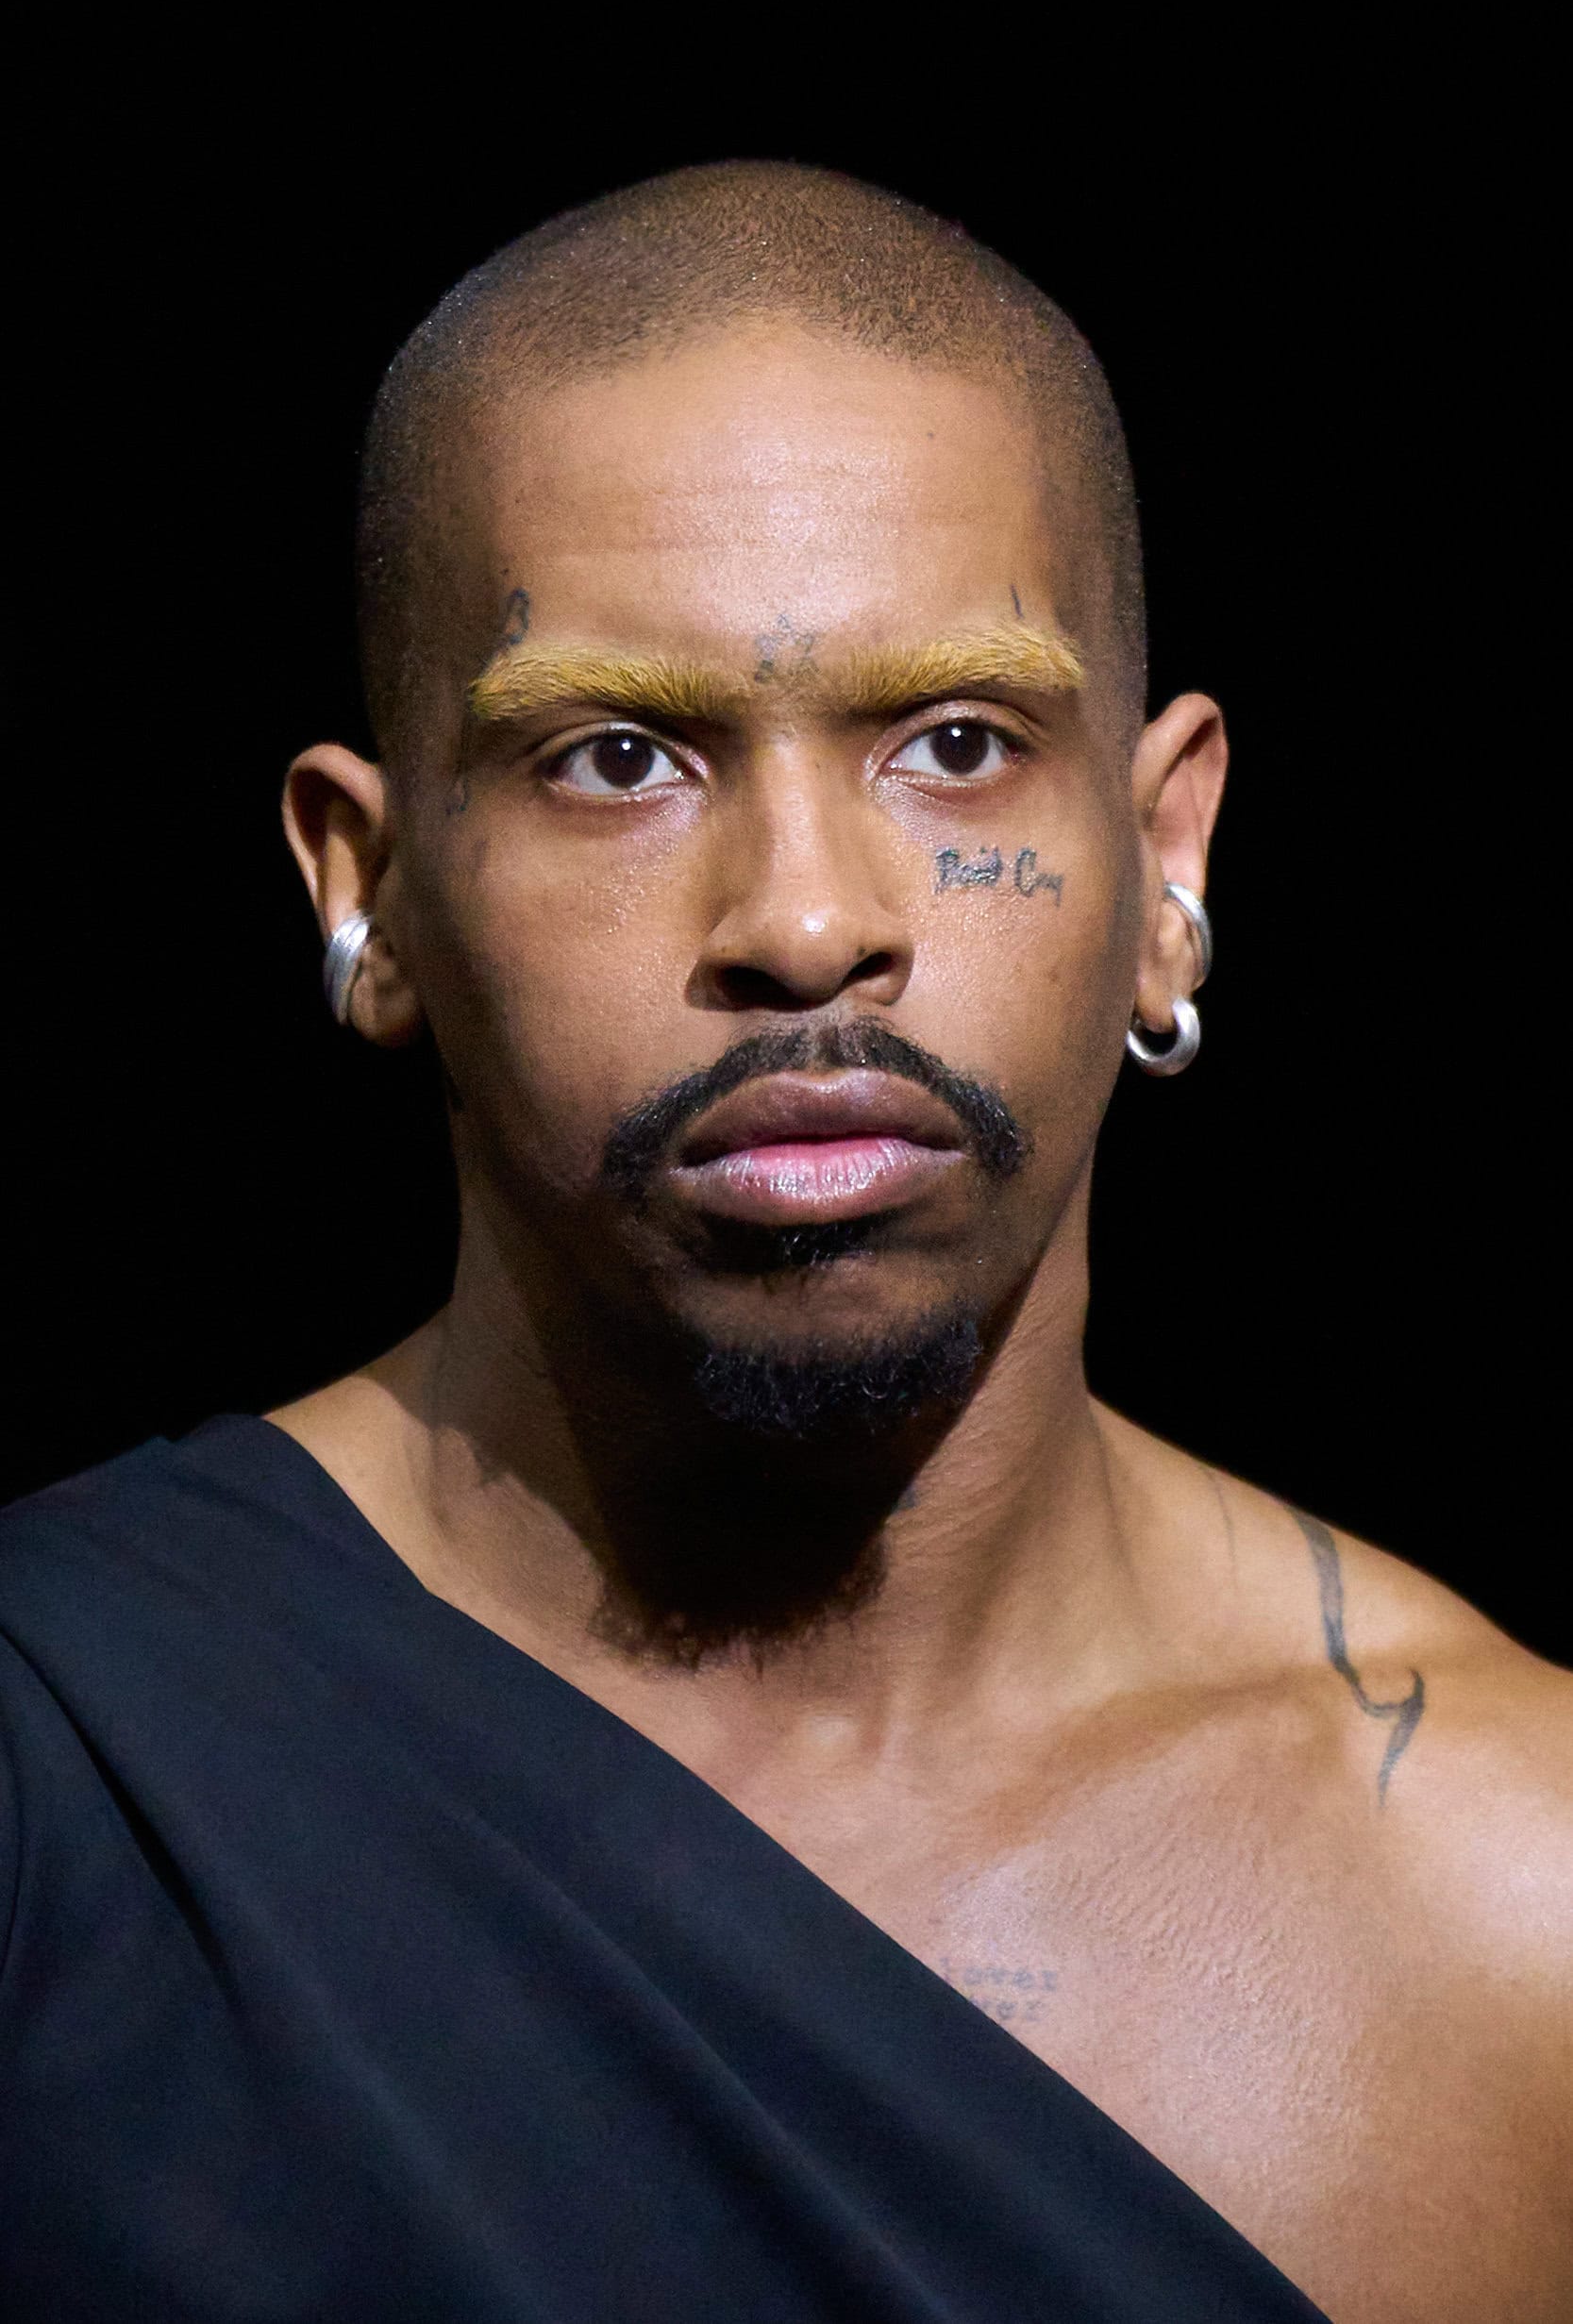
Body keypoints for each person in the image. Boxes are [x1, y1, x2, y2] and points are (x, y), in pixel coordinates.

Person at [2, 162, 1567, 2324]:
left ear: (1166, 857)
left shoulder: (1524, 1902)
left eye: (958, 743)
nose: (810, 922)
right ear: (371, 888)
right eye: (616, 758)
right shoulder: (67, 1768)